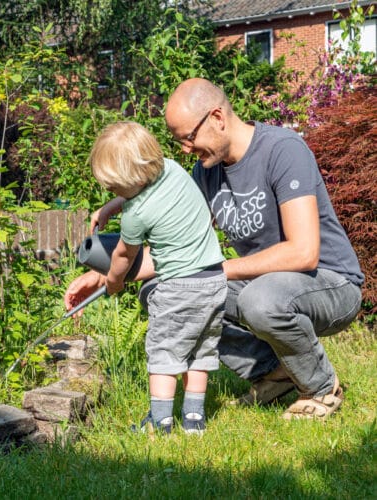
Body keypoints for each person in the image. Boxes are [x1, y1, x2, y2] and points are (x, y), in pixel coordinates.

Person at [66, 78, 363, 421]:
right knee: (163, 293)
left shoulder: (283, 149)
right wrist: (103, 277)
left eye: (188, 138)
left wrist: (217, 271)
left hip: (330, 282)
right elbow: (174, 257)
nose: (185, 149)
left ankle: (321, 387)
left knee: (259, 300)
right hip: (265, 284)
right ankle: (273, 372)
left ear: (218, 117)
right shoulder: (206, 173)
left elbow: (303, 253)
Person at [88, 121, 227, 434]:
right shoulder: (173, 169)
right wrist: (112, 205)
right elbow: (141, 189)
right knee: (200, 353)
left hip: (178, 288)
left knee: (164, 354)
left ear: (133, 180)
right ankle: (194, 420)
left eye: (114, 188)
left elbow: (125, 256)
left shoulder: (136, 214)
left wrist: (113, 281)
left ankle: (160, 423)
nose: (112, 192)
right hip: (215, 280)